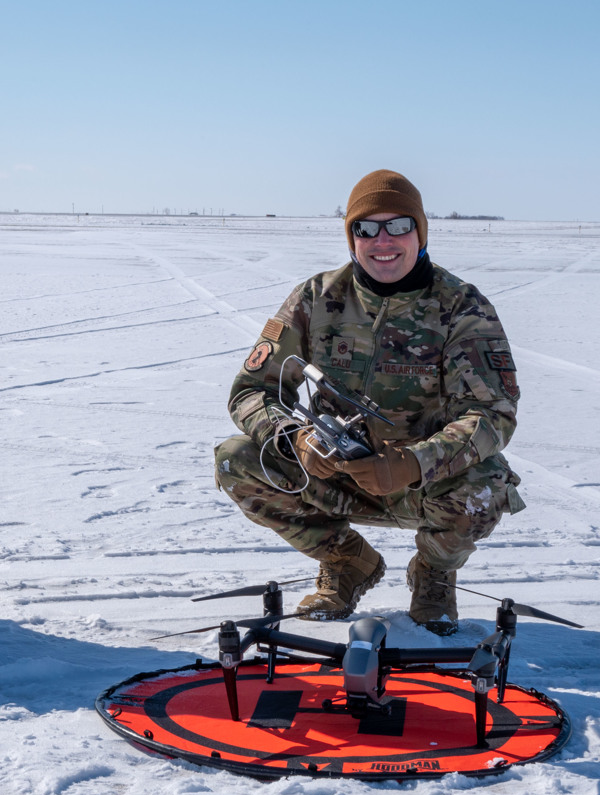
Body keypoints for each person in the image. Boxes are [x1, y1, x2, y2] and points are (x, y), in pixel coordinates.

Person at [214, 169, 524, 636]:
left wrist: (413, 463)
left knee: (487, 481)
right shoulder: (316, 299)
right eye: (367, 228)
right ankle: (346, 562)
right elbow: (251, 391)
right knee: (237, 459)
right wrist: (294, 440)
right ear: (351, 237)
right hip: (336, 473)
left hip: (428, 483)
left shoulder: (461, 306)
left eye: (399, 225)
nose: (383, 240)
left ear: (420, 232)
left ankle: (434, 575)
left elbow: (492, 414)